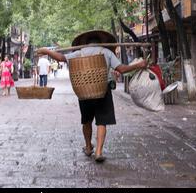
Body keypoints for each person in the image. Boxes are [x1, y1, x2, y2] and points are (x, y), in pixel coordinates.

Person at [37, 29, 147, 163]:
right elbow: (121, 69)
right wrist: (139, 65)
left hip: (84, 90)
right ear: (101, 42)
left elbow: (61, 58)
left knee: (86, 121)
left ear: (85, 43)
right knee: (102, 121)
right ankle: (99, 152)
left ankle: (88, 147)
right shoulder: (106, 52)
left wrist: (46, 51)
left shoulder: (79, 53)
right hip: (103, 90)